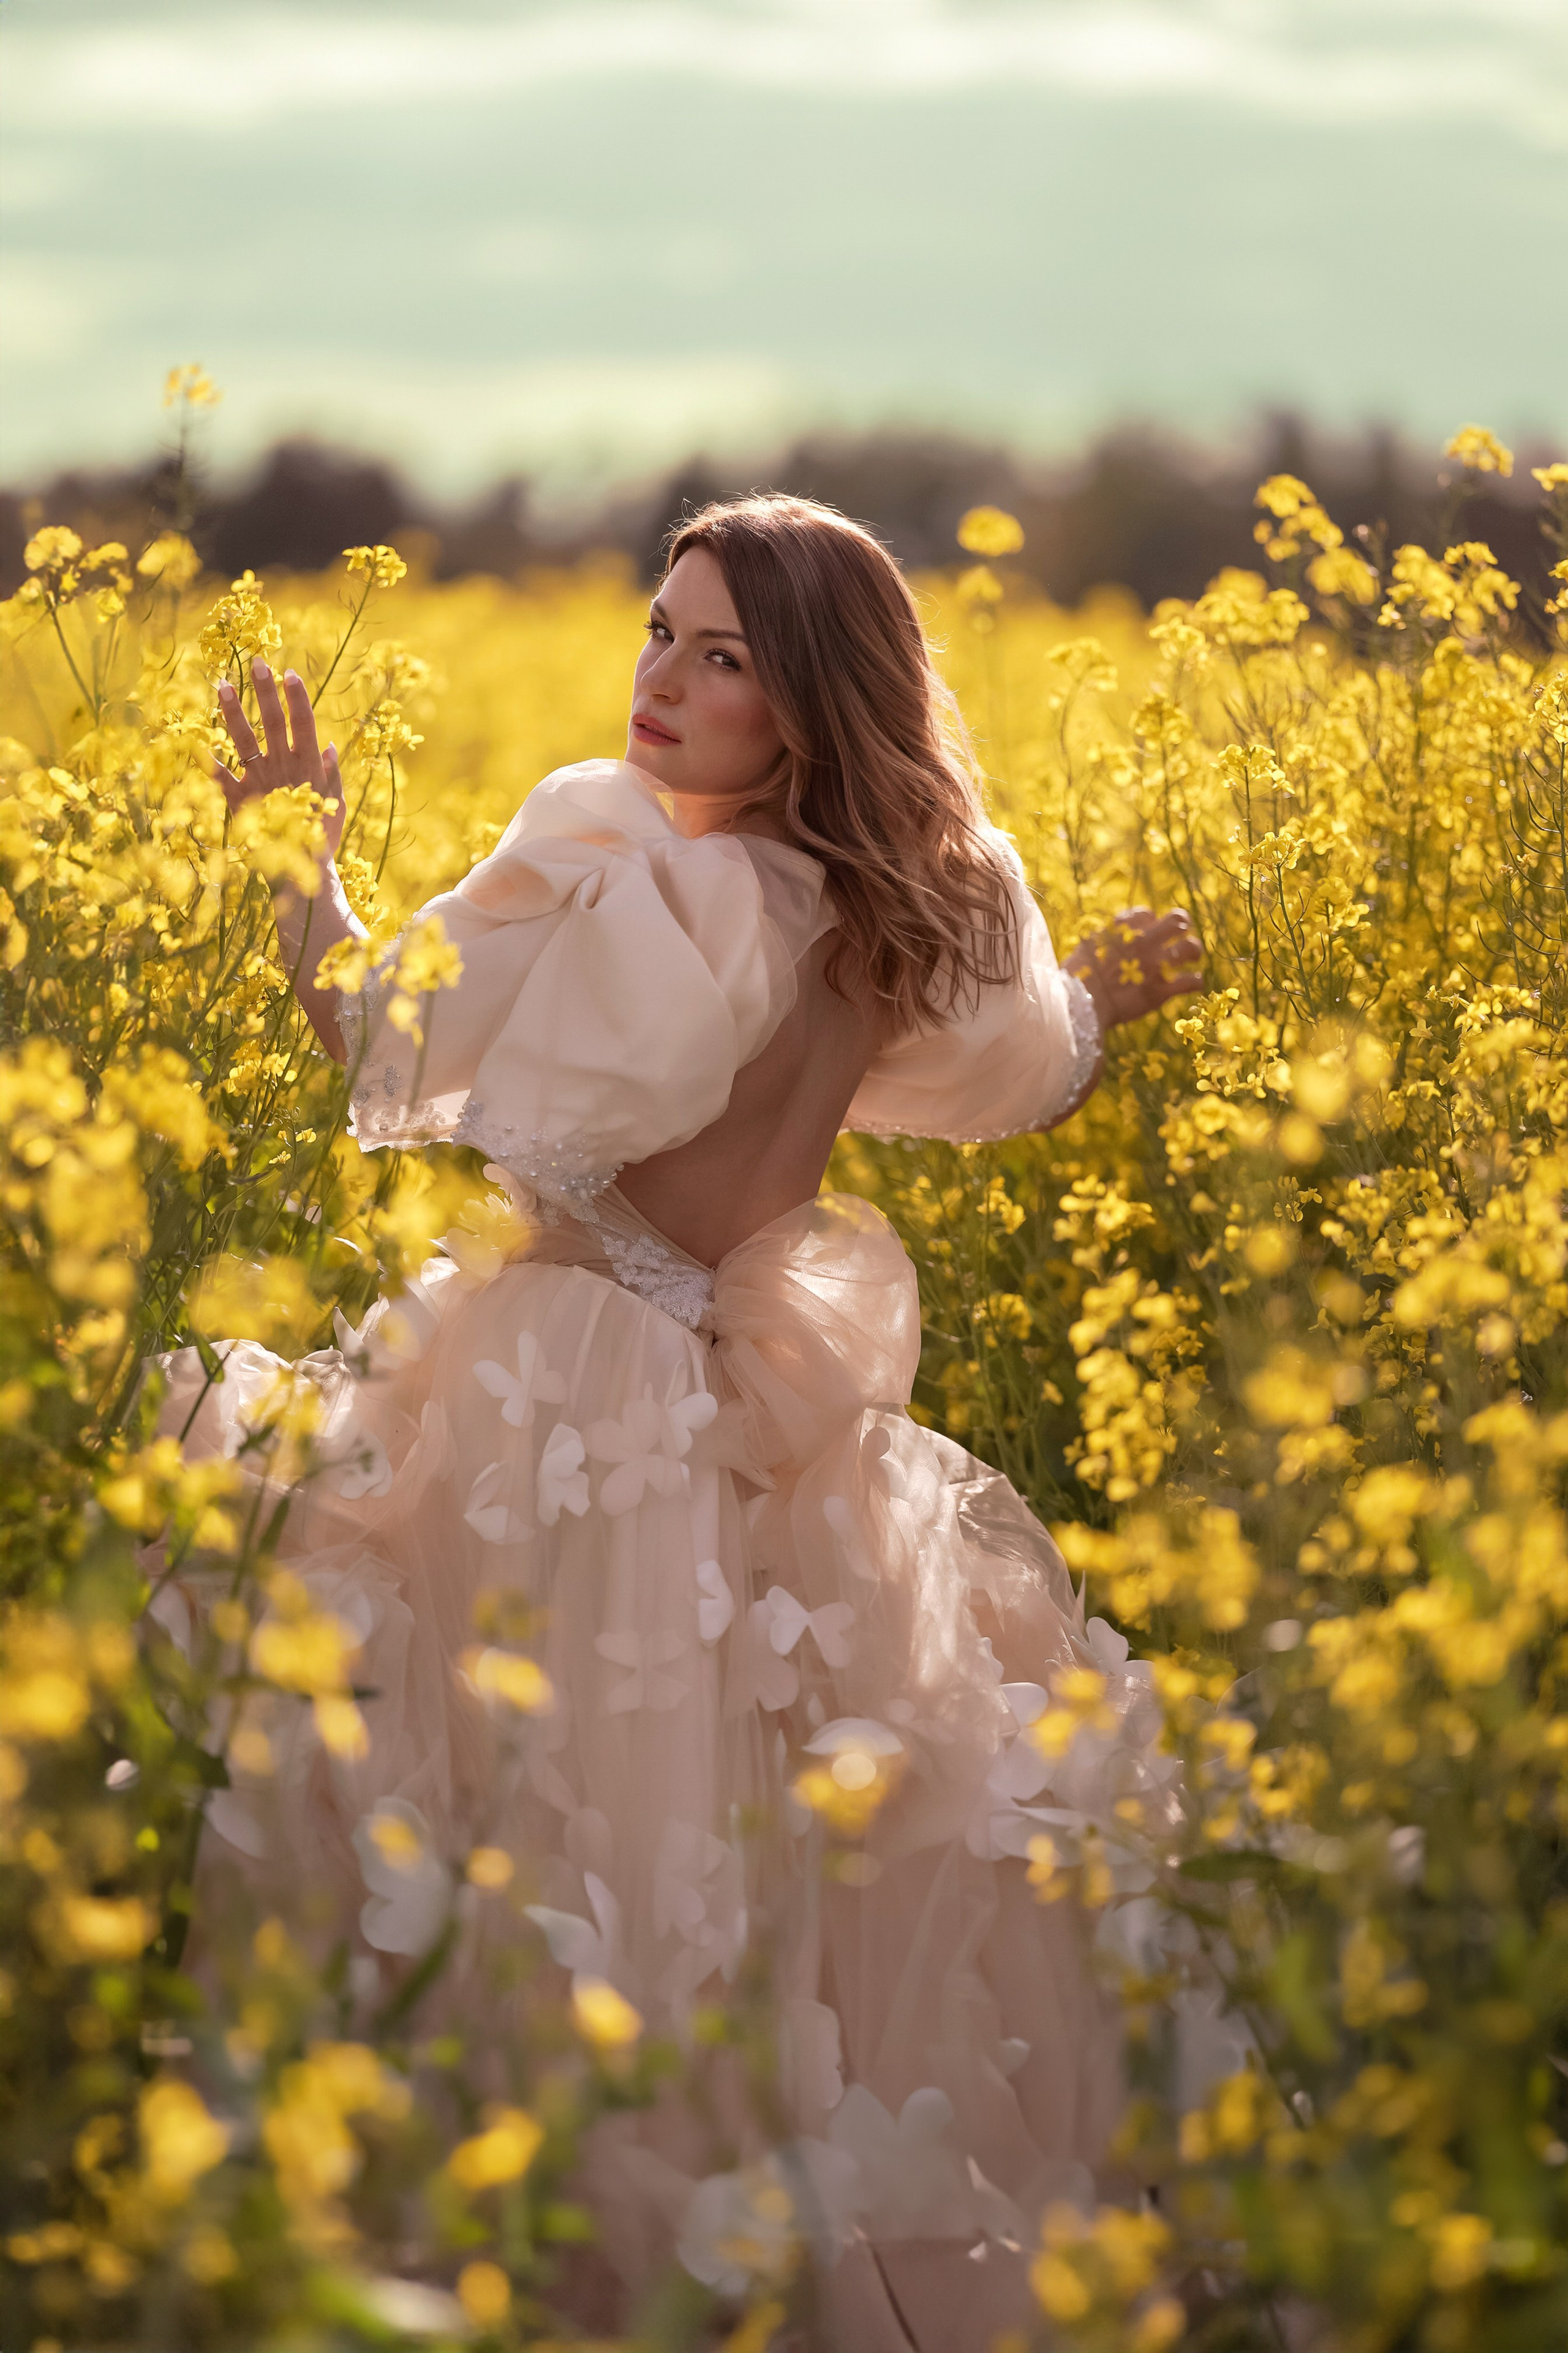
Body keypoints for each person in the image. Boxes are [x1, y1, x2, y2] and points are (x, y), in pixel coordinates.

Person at [186, 495, 1202, 2347]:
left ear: (803, 702)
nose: (663, 678)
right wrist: (1110, 998)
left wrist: (300, 856)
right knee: (745, 1883)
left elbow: (386, 1035)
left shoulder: (680, 886)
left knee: (522, 1850)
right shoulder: (893, 909)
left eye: (720, 653)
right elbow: (1032, 1062)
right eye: (663, 632)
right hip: (743, 1399)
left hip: (574, 1387)